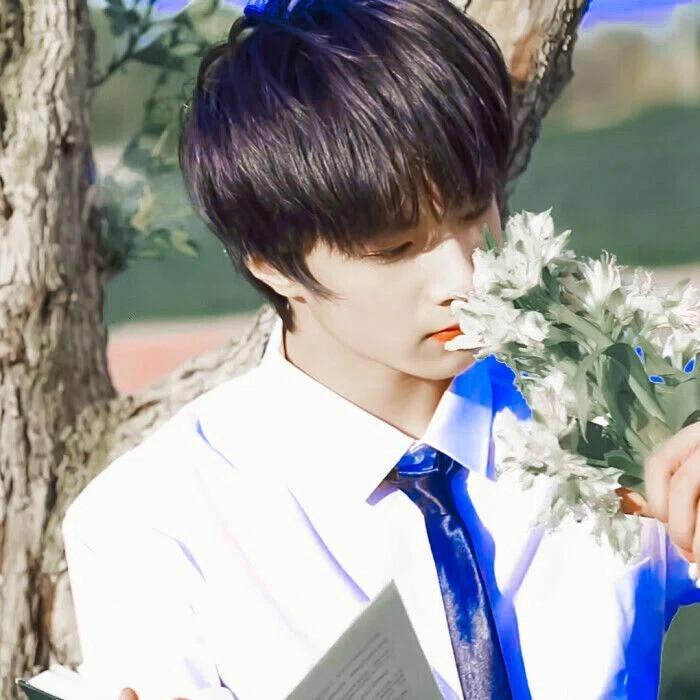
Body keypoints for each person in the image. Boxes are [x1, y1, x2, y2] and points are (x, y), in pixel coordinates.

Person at [62, 0, 700, 698]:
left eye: (475, 213)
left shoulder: (618, 403)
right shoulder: (154, 522)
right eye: (395, 250)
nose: (465, 279)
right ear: (271, 265)